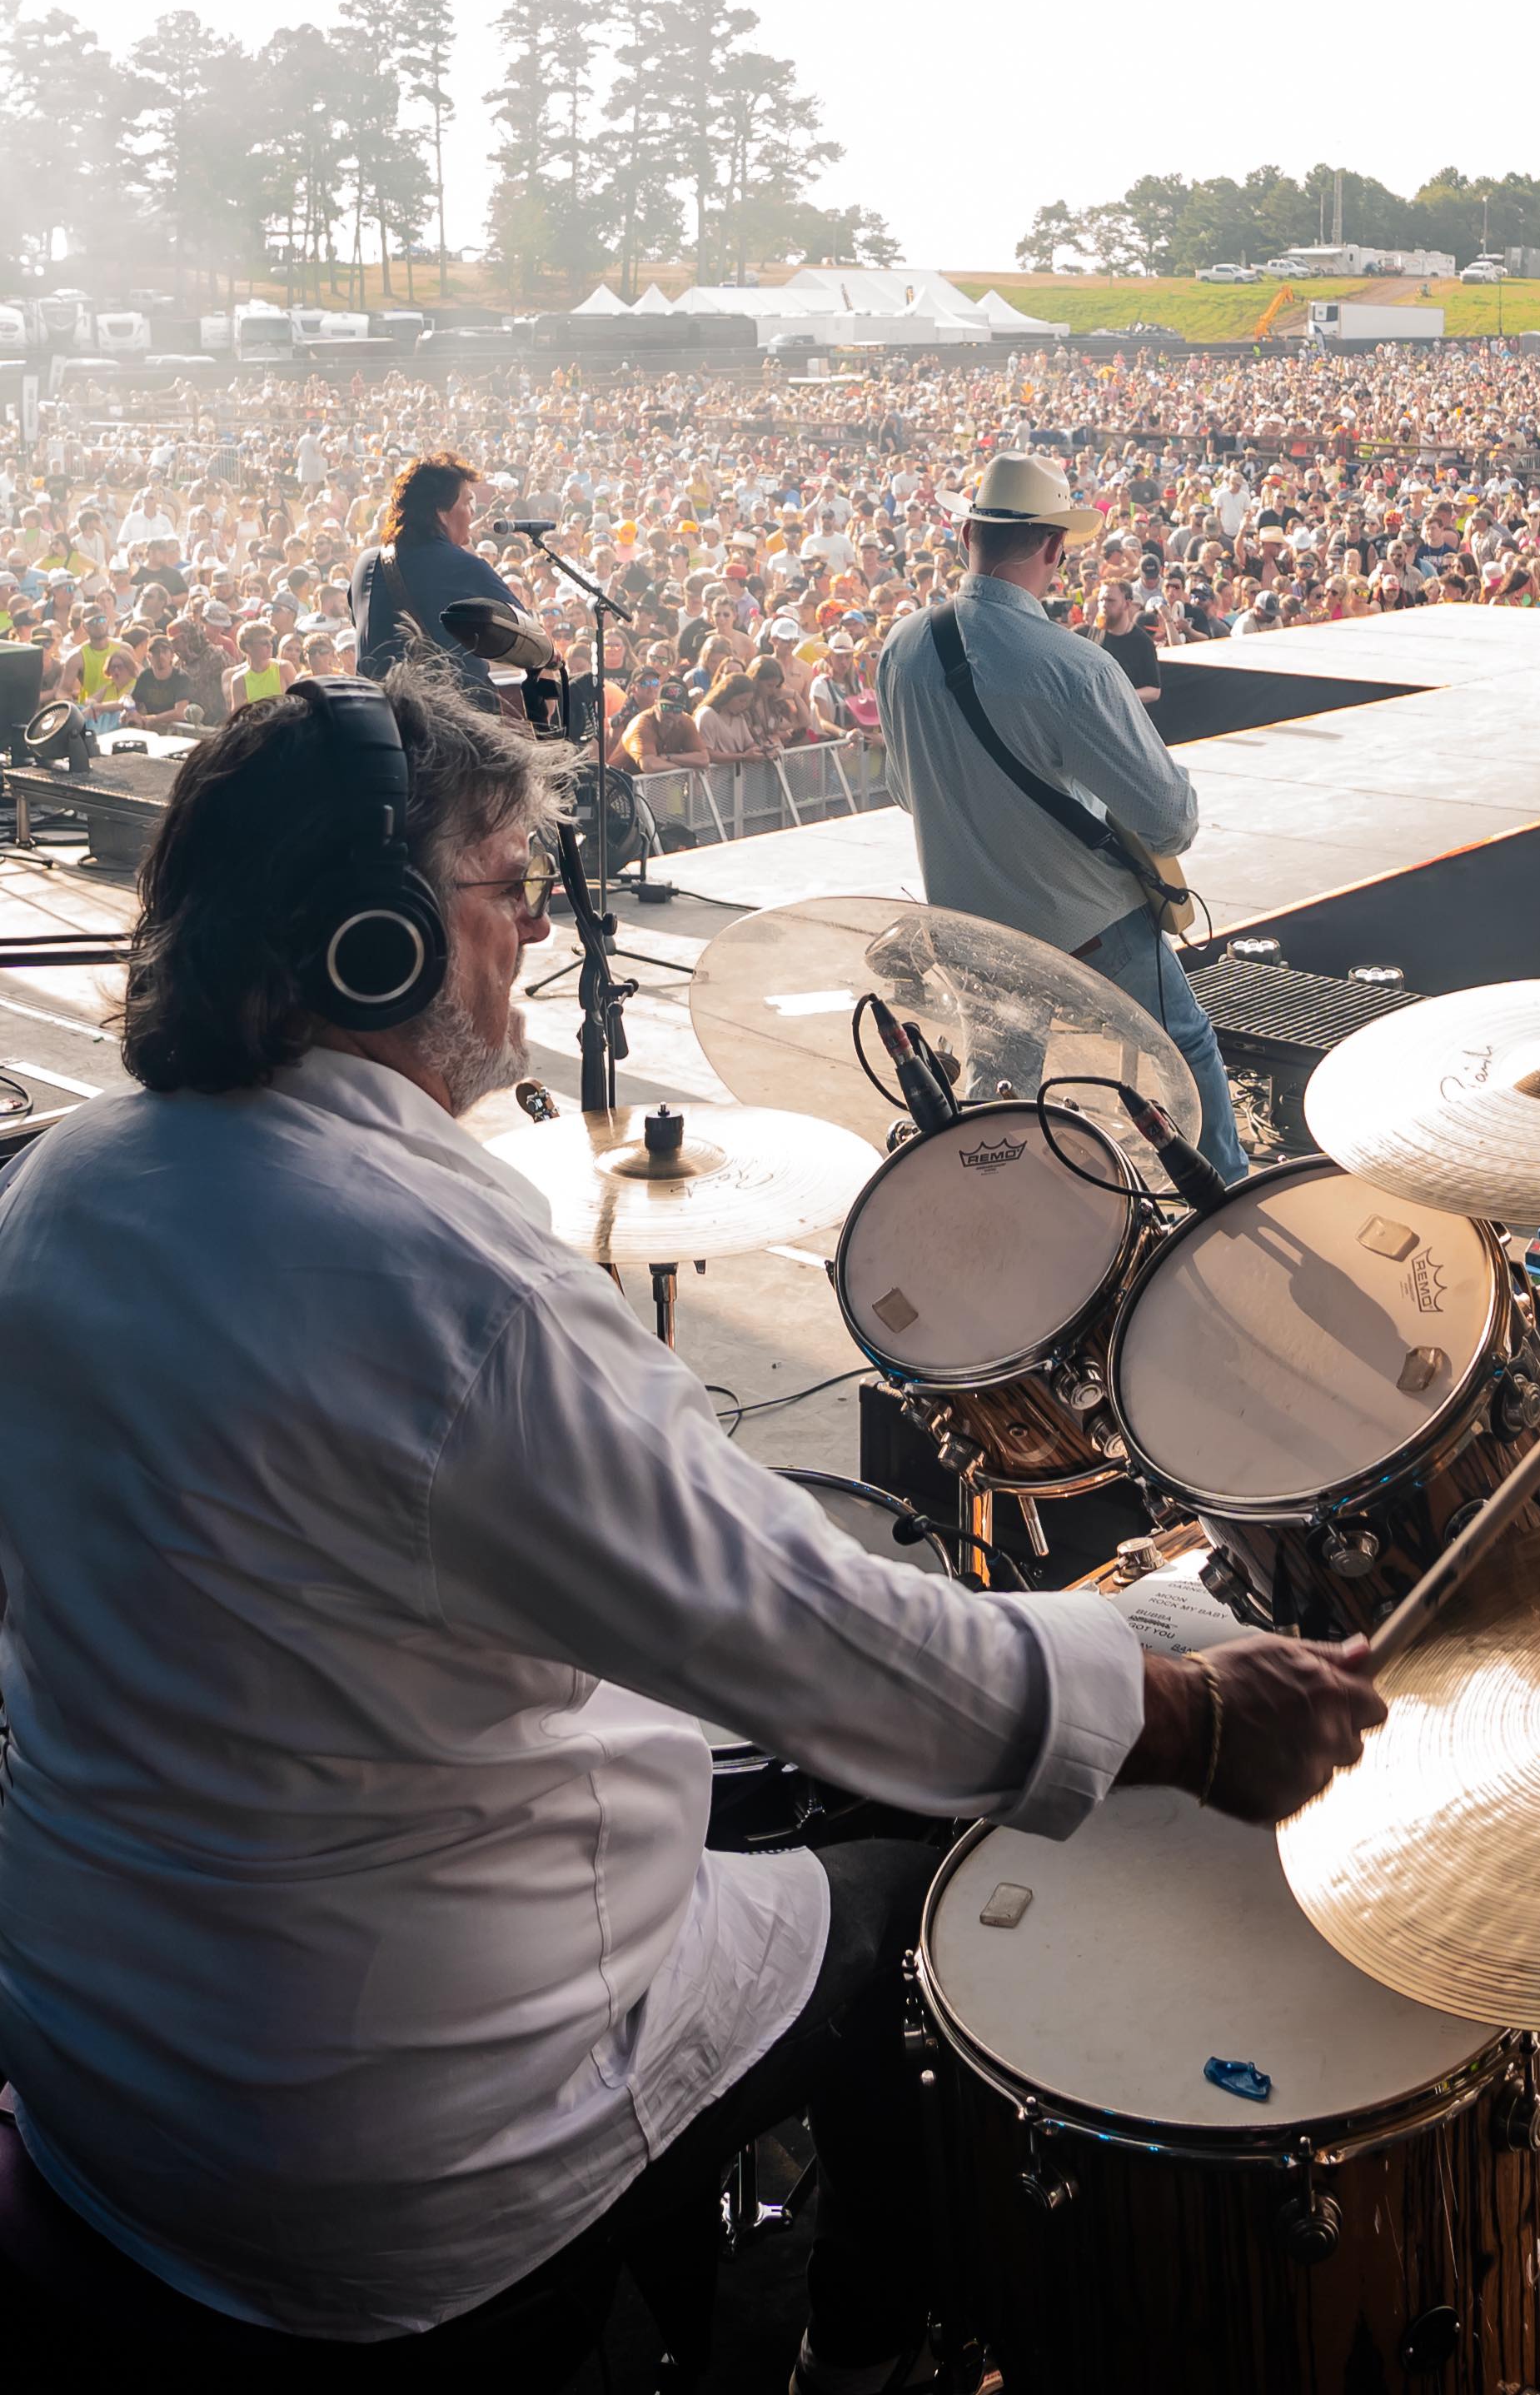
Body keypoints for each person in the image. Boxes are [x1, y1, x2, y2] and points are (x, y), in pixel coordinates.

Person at [0, 666, 1381, 2384]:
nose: (536, 933)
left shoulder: (55, 1189)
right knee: (915, 1907)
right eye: (508, 887)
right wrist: (1188, 1715)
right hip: (380, 2154)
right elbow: (823, 1646)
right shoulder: (458, 1299)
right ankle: (852, 2353)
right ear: (379, 945)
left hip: (102, 2078)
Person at [877, 452, 1248, 1180]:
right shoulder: (1074, 666)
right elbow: (1169, 820)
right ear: (1054, 546)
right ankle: (1225, 1200)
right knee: (1183, 1049)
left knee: (1002, 1088)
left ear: (967, 536)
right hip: (1090, 927)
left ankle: (1003, 1205)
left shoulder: (903, 646)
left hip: (972, 931)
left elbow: (905, 790)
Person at [350, 454, 525, 703]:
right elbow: (529, 639)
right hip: (451, 719)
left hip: (375, 716)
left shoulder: (366, 563)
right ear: (441, 512)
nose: (472, 512)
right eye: (467, 502)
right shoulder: (465, 568)